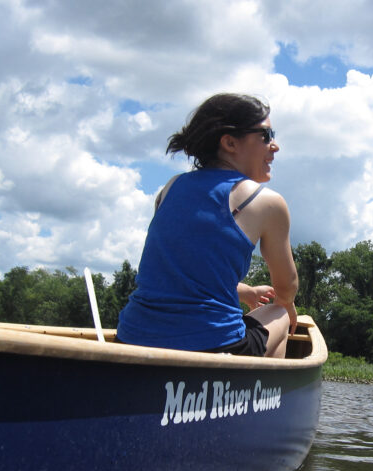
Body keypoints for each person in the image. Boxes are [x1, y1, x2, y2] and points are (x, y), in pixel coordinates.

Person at [117, 93, 298, 358]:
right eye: (266, 134)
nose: (275, 145)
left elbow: (183, 273)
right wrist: (288, 305)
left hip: (132, 337)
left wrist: (244, 291)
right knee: (280, 313)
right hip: (214, 345)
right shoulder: (267, 202)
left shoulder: (170, 188)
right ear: (229, 143)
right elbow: (286, 286)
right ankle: (264, 394)